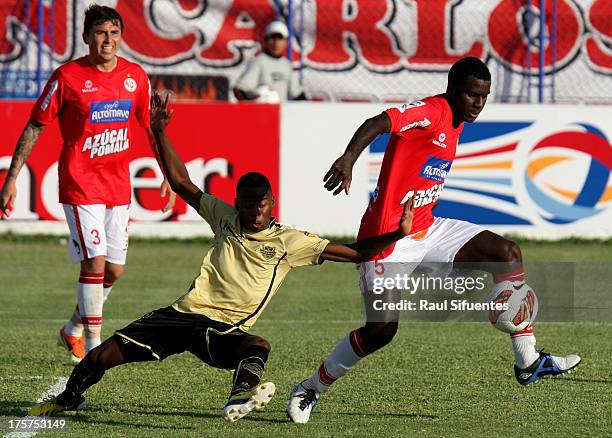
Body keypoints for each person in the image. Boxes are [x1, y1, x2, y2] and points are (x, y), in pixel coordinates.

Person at [29, 91, 414, 422]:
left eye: (261, 205)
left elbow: (357, 252)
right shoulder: (224, 217)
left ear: (272, 203)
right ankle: (67, 398)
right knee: (99, 358)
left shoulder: (291, 242)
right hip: (181, 313)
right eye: (247, 205)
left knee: (257, 346)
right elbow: (182, 183)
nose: (254, 212)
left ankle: (239, 396)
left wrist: (396, 234)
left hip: (222, 327)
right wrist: (160, 131)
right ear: (237, 204)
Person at [286, 57, 581, 423]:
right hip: (387, 239)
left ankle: (528, 362)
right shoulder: (432, 111)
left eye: (484, 96)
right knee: (381, 330)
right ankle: (310, 388)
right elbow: (377, 122)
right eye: (472, 94)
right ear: (453, 89)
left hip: (428, 227)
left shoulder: (458, 121)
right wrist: (349, 157)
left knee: (506, 253)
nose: (479, 102)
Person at [0, 5, 175, 364]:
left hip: (117, 188)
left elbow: (151, 129)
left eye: (113, 33)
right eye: (99, 32)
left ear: (121, 37)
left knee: (114, 270)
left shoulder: (135, 77)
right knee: (94, 263)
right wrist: (12, 177)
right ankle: (94, 348)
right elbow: (35, 125)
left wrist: (167, 177)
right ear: (85, 37)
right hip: (80, 185)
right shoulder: (67, 77)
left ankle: (73, 329)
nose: (107, 40)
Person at [233, 20, 306, 102]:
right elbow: (239, 89)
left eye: (280, 38)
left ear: (286, 42)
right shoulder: (259, 61)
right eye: (272, 38)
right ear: (266, 40)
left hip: (281, 112)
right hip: (261, 111)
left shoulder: (287, 65)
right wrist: (252, 102)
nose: (276, 43)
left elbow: (297, 93)